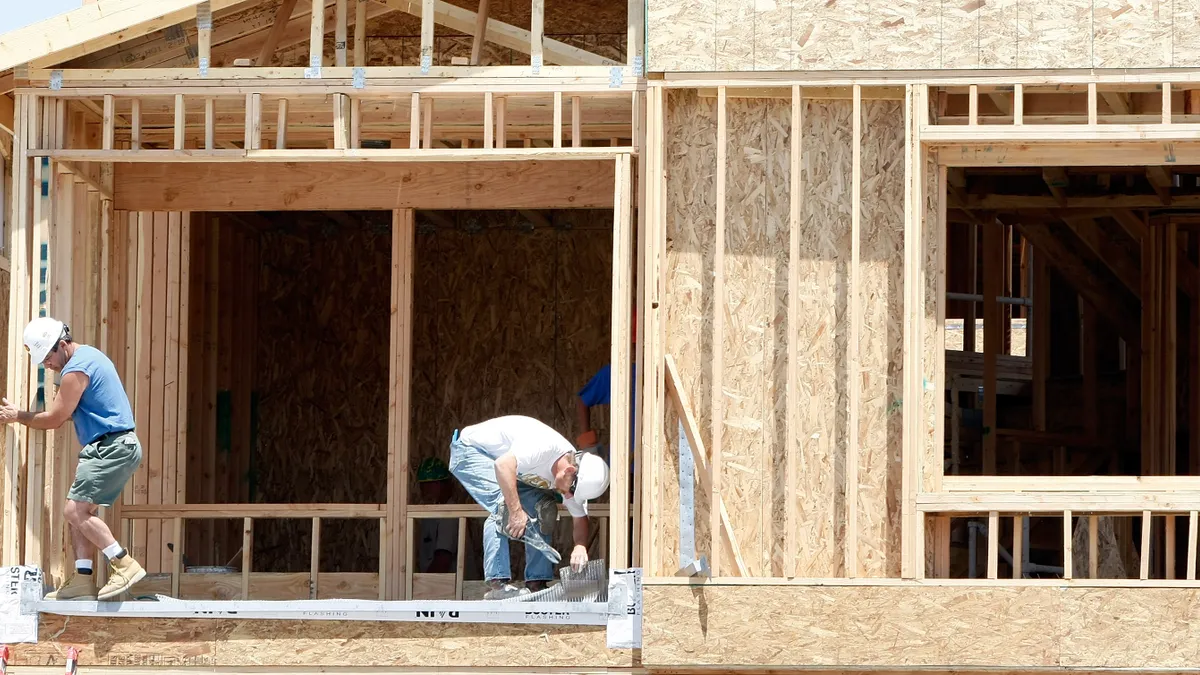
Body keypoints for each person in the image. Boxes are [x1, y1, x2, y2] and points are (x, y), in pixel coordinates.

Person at [0, 318, 146, 600]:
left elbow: (55, 419)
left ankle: (123, 562)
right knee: (78, 512)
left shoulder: (77, 369)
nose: (47, 366)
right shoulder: (88, 358)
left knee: (75, 512)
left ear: (62, 345)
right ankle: (83, 578)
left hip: (111, 446)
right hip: (108, 446)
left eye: (47, 358)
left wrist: (18, 415)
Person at [448, 415, 609, 600]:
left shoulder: (573, 475)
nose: (570, 497)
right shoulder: (543, 448)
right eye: (572, 491)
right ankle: (497, 585)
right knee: (505, 509)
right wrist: (516, 512)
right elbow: (502, 466)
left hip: (507, 466)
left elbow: (580, 517)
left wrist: (580, 546)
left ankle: (536, 584)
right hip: (470, 452)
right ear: (570, 471)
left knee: (545, 508)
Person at [416, 457, 457, 574]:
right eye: (423, 485)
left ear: (445, 485)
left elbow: (442, 561)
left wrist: (423, 587)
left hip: (448, 588)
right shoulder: (431, 513)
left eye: (431, 484)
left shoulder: (450, 514)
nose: (425, 490)